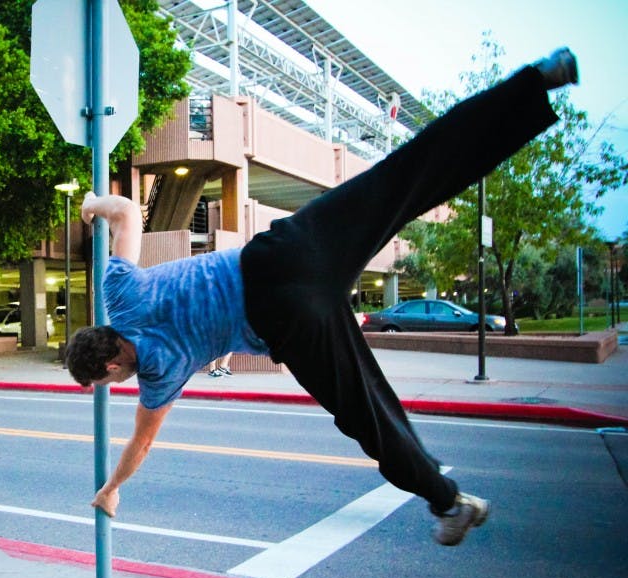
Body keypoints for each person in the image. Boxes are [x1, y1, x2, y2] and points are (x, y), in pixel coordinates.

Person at [66, 48, 578, 546]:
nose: (105, 387)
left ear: (111, 367)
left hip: (289, 321)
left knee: (367, 412)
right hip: (288, 251)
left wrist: (112, 489)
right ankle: (536, 84)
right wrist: (94, 205)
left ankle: (449, 503)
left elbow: (142, 442)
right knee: (404, 174)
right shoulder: (120, 293)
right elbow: (127, 212)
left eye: (99, 382)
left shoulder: (157, 373)